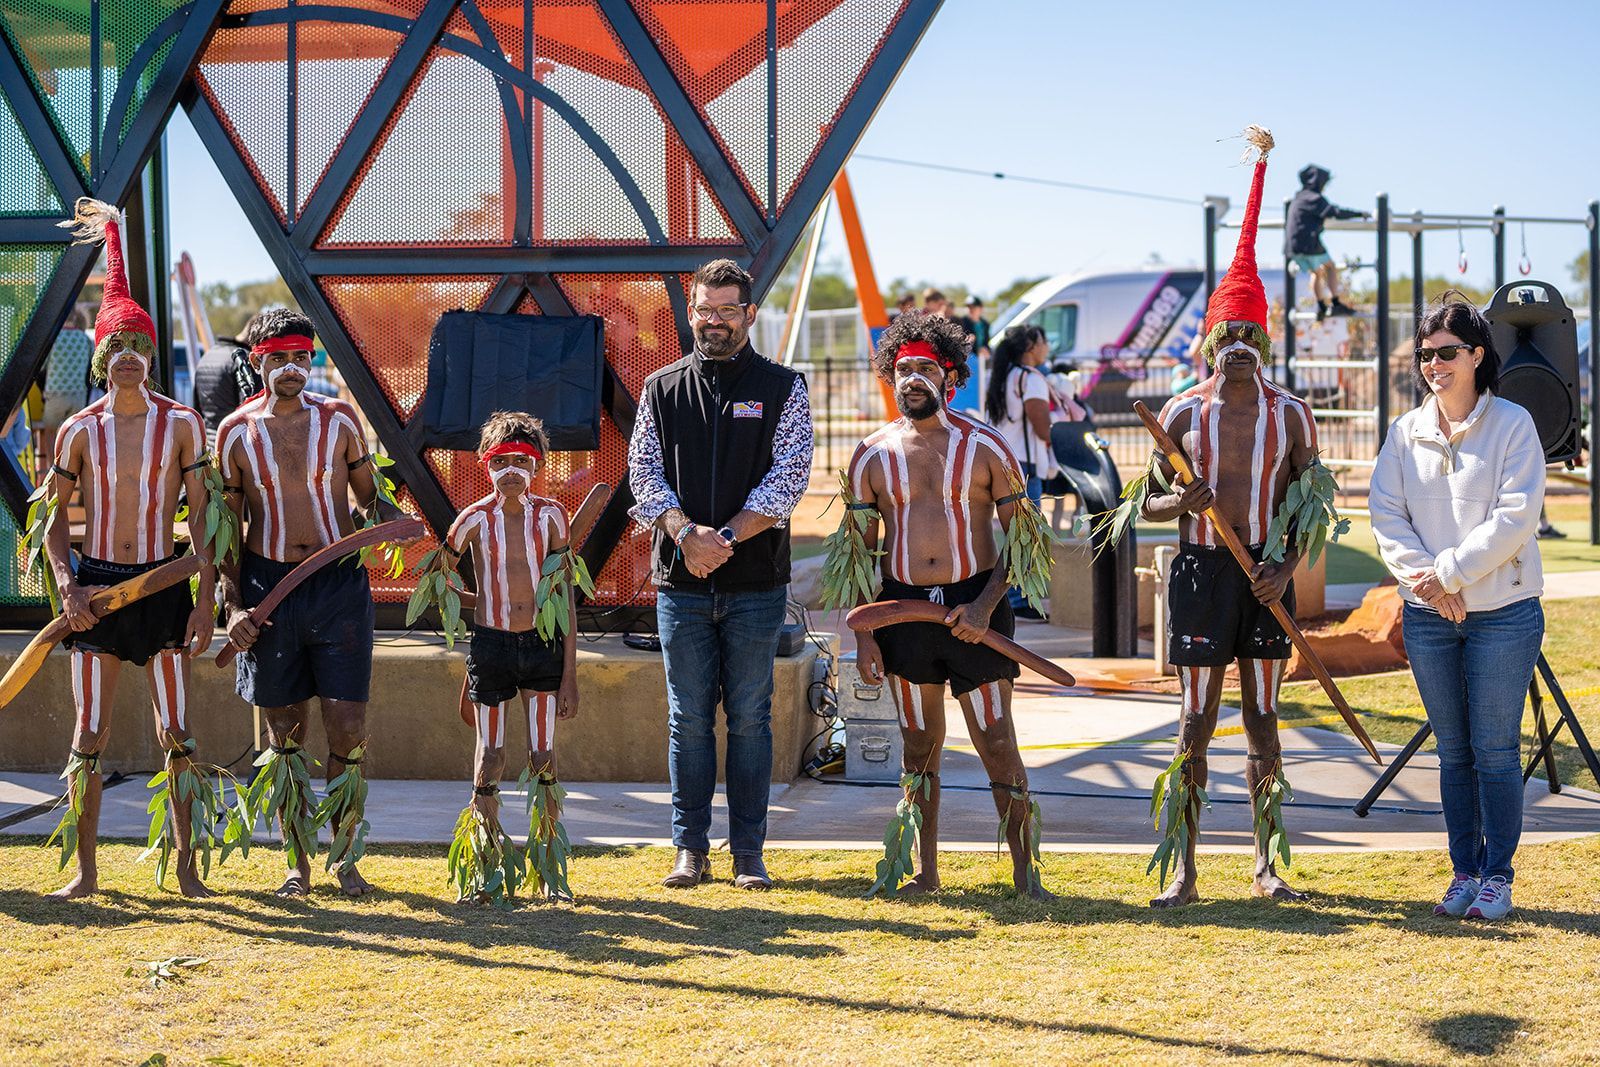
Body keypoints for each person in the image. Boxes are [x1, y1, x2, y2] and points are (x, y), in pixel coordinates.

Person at [1139, 127, 1320, 908]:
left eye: (1252, 333)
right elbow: (1142, 504)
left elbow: (1314, 508)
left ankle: (1267, 860)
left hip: (1266, 573)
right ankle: (1182, 864)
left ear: (1264, 338)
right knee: (1193, 721)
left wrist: (1285, 563)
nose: (1240, 345)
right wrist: (1182, 502)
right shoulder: (1180, 415)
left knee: (1265, 716)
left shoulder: (1294, 416)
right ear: (1211, 339)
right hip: (1203, 572)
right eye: (1229, 333)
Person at [841, 312, 1052, 899]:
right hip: (902, 613)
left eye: (924, 369)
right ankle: (925, 873)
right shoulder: (870, 455)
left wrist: (986, 604)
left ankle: (1025, 875)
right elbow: (859, 555)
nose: (912, 378)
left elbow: (1023, 537)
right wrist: (864, 635)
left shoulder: (987, 446)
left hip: (975, 605)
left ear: (949, 377)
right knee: (917, 744)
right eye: (902, 369)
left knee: (996, 739)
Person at [43, 198, 218, 898]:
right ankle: (85, 873)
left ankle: (186, 869)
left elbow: (205, 521)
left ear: (151, 354)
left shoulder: (183, 426)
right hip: (99, 587)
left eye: (138, 347)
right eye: (115, 348)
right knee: (90, 728)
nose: (127, 359)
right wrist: (68, 584)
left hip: (164, 585)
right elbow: (53, 520)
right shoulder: (78, 430)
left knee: (177, 728)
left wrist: (205, 602)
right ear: (100, 356)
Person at [217, 307, 418, 897]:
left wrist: (397, 523)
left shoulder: (339, 421)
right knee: (284, 735)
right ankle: (295, 866)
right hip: (267, 589)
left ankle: (347, 858)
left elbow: (367, 499)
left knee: (348, 729)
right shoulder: (233, 431)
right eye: (278, 358)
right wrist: (232, 607)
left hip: (338, 588)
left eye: (301, 358)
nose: (291, 370)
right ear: (259, 361)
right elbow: (228, 531)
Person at [627, 259, 814, 891]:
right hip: (680, 587)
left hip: (756, 586)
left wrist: (725, 538)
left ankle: (748, 854)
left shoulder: (782, 387)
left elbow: (788, 479)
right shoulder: (660, 388)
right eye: (705, 310)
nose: (714, 321)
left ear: (749, 315)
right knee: (688, 721)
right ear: (692, 312)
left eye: (727, 311)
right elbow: (643, 474)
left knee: (752, 719)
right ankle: (689, 849)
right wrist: (685, 535)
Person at [1369, 293, 1545, 922]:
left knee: (1495, 749)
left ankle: (1498, 876)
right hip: (1428, 618)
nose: (1434, 366)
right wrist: (1428, 586)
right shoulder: (1404, 433)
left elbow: (1515, 517)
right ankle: (1463, 873)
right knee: (1454, 751)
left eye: (1447, 353)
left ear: (1476, 355)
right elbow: (1386, 514)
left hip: (1504, 614)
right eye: (1425, 356)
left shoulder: (1514, 425)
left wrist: (1446, 575)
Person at [443, 411, 579, 900]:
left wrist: (570, 674)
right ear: (486, 464)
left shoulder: (552, 516)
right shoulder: (473, 518)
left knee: (543, 754)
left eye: (523, 460)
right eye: (502, 461)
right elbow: (442, 574)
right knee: (491, 754)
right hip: (493, 645)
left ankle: (548, 871)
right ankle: (485, 868)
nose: (513, 471)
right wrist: (479, 610)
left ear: (538, 465)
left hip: (541, 645)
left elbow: (563, 594)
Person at [984, 325, 1055, 618]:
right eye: (1043, 341)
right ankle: (1019, 602)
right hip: (1024, 465)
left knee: (1012, 533)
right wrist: (1054, 439)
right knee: (1027, 533)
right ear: (1030, 347)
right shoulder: (1031, 378)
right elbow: (1040, 422)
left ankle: (1011, 599)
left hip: (1001, 461)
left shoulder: (1002, 376)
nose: (1046, 347)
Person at [1286, 164, 1367, 321]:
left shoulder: (1299, 197)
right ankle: (1336, 303)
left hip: (1292, 247)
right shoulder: (1315, 199)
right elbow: (1335, 212)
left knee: (1316, 272)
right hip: (1309, 244)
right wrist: (1359, 213)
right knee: (1330, 267)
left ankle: (1322, 306)